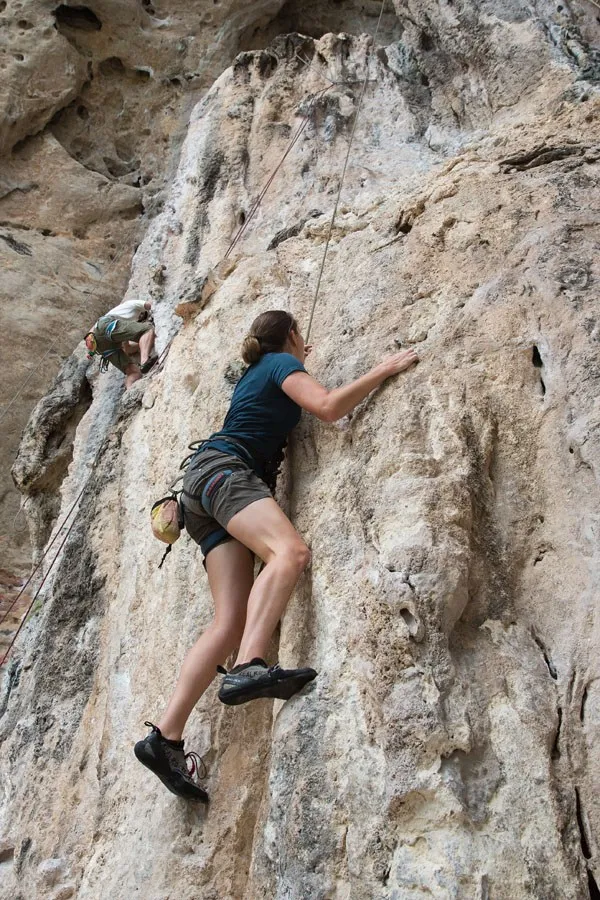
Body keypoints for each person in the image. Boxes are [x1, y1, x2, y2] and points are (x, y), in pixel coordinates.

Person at [134, 310, 419, 802]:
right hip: (227, 475)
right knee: (289, 552)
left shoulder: (253, 375)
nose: (305, 344)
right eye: (301, 336)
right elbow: (328, 407)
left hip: (199, 490)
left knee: (229, 619)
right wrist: (385, 369)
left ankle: (165, 737)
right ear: (291, 335)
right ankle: (249, 666)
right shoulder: (278, 365)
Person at [86, 297, 157, 389]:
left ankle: (130, 394)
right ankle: (145, 360)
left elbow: (128, 349)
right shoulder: (132, 304)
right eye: (142, 315)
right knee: (148, 330)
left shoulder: (123, 327)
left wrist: (149, 341)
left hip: (98, 343)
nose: (141, 318)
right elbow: (153, 304)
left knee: (134, 373)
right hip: (107, 325)